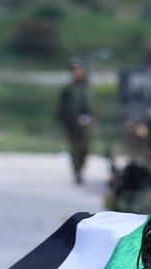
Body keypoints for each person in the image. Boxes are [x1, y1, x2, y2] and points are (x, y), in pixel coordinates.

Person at [57, 57, 94, 185]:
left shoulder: (86, 88)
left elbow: (92, 105)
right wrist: (66, 121)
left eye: (80, 70)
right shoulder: (68, 89)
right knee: (75, 149)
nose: (78, 72)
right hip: (72, 124)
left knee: (84, 149)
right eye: (75, 70)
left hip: (85, 123)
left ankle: (81, 169)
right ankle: (77, 171)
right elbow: (61, 107)